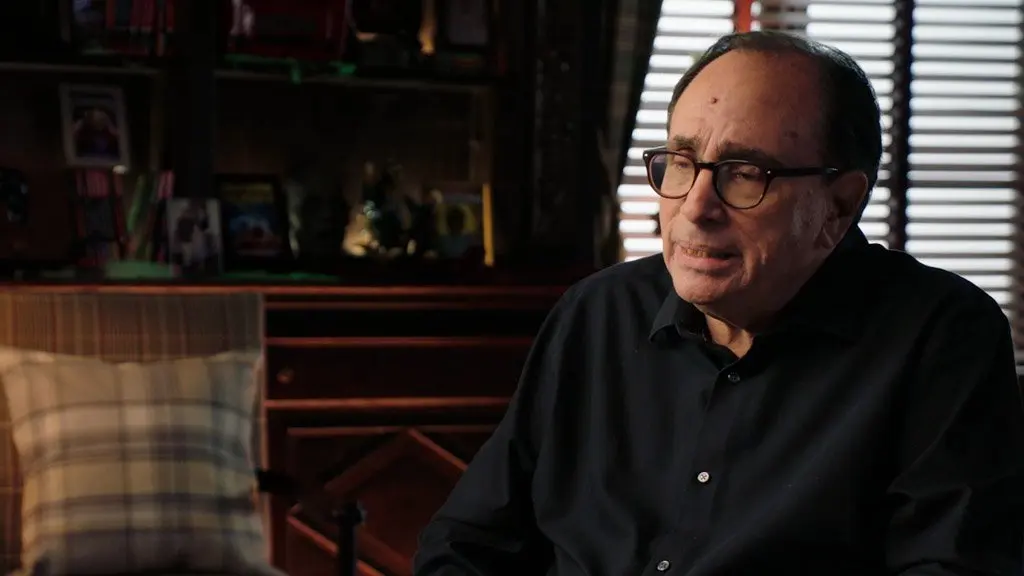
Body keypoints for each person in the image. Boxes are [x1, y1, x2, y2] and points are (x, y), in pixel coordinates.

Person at [413, 30, 1024, 575]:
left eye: (745, 173)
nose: (695, 208)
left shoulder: (940, 336)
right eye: (680, 163)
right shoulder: (597, 313)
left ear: (838, 205)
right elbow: (466, 543)